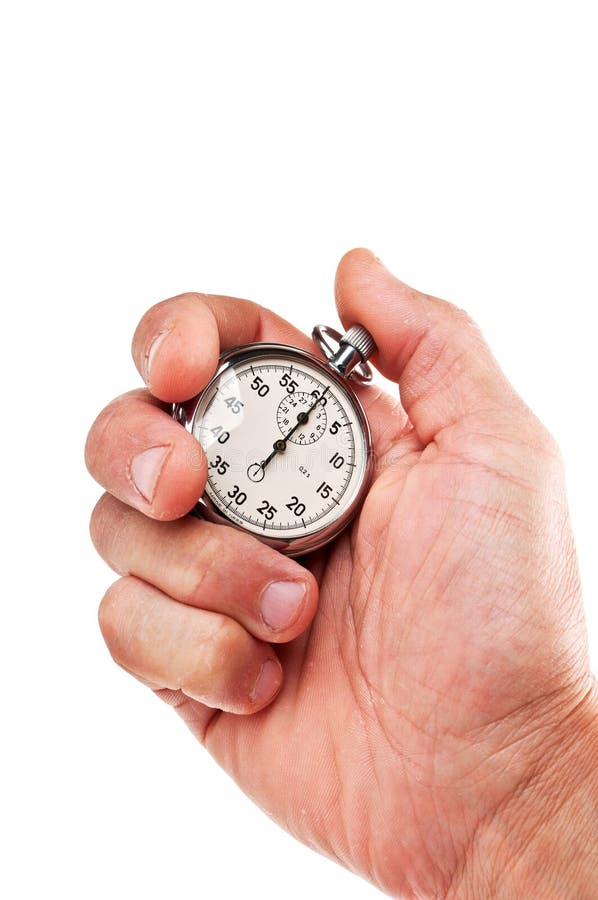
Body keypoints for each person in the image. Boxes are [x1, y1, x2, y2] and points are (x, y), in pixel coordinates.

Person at [85, 249, 597, 898]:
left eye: (302, 433)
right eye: (288, 431)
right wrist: (511, 810)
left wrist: (524, 778)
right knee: (167, 473)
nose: (278, 449)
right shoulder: (260, 391)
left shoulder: (365, 451)